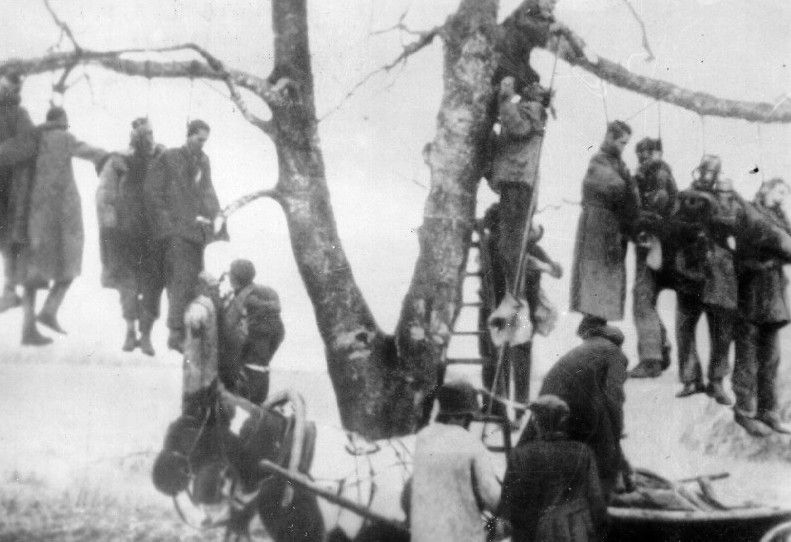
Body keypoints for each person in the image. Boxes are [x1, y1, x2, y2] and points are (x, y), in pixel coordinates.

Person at [14, 106, 106, 345]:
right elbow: (89, 151)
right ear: (62, 120)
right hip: (63, 215)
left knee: (32, 275)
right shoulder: (64, 138)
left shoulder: (35, 139)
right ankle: (50, 310)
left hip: (34, 214)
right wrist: (111, 155)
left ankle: (28, 328)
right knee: (70, 264)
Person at [517, 320, 631, 499]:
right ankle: (610, 491)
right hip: (576, 400)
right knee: (605, 443)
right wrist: (617, 432)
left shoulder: (584, 348)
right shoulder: (616, 353)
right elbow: (614, 399)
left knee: (533, 439)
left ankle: (518, 483)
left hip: (548, 395)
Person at [144, 119, 226, 352]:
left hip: (194, 233)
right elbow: (152, 192)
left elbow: (207, 191)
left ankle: (183, 332)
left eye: (205, 141)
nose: (202, 144)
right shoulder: (169, 157)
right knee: (179, 280)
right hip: (172, 234)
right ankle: (175, 334)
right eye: (199, 139)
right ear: (189, 135)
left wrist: (217, 215)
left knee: (192, 281)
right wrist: (167, 223)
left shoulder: (203, 161)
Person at [478, 203, 561, 419]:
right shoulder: (500, 245)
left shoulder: (519, 244)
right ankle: (506, 408)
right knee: (506, 358)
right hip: (505, 308)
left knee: (509, 358)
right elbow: (553, 268)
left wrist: (548, 265)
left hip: (513, 308)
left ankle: (512, 409)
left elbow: (553, 269)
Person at [671, 156, 738, 404]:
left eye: (712, 171)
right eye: (704, 170)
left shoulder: (726, 196)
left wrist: (716, 212)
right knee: (684, 327)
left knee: (721, 328)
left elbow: (734, 223)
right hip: (689, 268)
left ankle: (717, 382)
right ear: (698, 170)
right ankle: (691, 379)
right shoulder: (685, 195)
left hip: (717, 270)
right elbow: (673, 223)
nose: (706, 175)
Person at [97, 117, 165, 355]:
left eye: (151, 134)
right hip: (126, 233)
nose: (150, 139)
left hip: (154, 233)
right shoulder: (118, 160)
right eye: (145, 135)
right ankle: (129, 331)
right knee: (128, 283)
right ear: (135, 136)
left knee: (153, 284)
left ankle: (145, 335)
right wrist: (110, 223)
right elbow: (105, 193)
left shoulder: (161, 158)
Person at [501, 395, 607, 542]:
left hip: (535, 535)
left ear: (536, 422)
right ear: (563, 421)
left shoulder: (520, 455)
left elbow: (510, 507)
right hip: (575, 533)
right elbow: (596, 501)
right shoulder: (583, 453)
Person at [732, 178, 791, 436]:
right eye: (779, 191)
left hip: (772, 300)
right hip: (750, 296)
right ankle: (745, 412)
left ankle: (769, 413)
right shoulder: (750, 211)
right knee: (747, 359)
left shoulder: (777, 216)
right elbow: (777, 241)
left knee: (771, 360)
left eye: (785, 194)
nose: (782, 197)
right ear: (766, 190)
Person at [570, 120, 639, 335]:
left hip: (612, 226)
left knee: (608, 272)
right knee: (595, 271)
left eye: (625, 144)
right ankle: (591, 319)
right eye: (620, 142)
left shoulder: (617, 164)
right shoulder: (599, 160)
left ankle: (598, 320)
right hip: (597, 225)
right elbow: (613, 186)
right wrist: (628, 185)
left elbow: (629, 194)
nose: (622, 147)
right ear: (609, 137)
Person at [410, 380, 501, 542]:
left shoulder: (422, 437)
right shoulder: (470, 443)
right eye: (468, 418)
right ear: (458, 416)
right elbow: (491, 496)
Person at [630, 137, 678, 378]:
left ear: (658, 153)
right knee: (644, 298)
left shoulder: (658, 175)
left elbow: (658, 206)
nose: (643, 158)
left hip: (653, 244)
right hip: (657, 244)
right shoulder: (653, 174)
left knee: (642, 298)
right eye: (640, 154)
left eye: (648, 153)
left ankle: (651, 359)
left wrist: (640, 219)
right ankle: (659, 347)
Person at [219, 259, 285, 404]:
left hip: (245, 373)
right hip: (263, 370)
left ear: (234, 278)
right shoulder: (269, 292)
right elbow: (280, 333)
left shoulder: (241, 299)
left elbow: (227, 331)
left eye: (231, 274)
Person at [0, 70, 35, 313]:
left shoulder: (21, 115)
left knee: (11, 239)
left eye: (9, 87)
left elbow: (29, 145)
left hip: (12, 187)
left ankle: (10, 290)